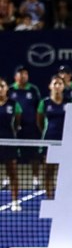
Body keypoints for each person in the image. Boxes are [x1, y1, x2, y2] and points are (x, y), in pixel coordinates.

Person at [9, 65, 42, 191]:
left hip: (31, 127)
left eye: (25, 74)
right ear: (15, 76)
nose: (23, 76)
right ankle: (8, 178)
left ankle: (35, 179)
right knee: (11, 156)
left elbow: (38, 109)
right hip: (13, 129)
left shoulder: (33, 90)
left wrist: (37, 125)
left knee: (34, 156)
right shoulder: (10, 90)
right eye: (20, 74)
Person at [36, 75, 66, 199]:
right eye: (55, 83)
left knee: (65, 172)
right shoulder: (45, 102)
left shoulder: (69, 102)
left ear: (63, 86)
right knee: (49, 171)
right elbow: (40, 121)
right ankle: (50, 198)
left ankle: (64, 197)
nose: (57, 86)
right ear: (50, 86)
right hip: (49, 141)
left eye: (60, 84)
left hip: (66, 142)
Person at [0, 77, 22, 211]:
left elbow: (17, 122)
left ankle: (15, 201)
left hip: (9, 142)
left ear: (7, 88)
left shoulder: (14, 104)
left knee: (12, 172)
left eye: (2, 86)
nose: (0, 89)